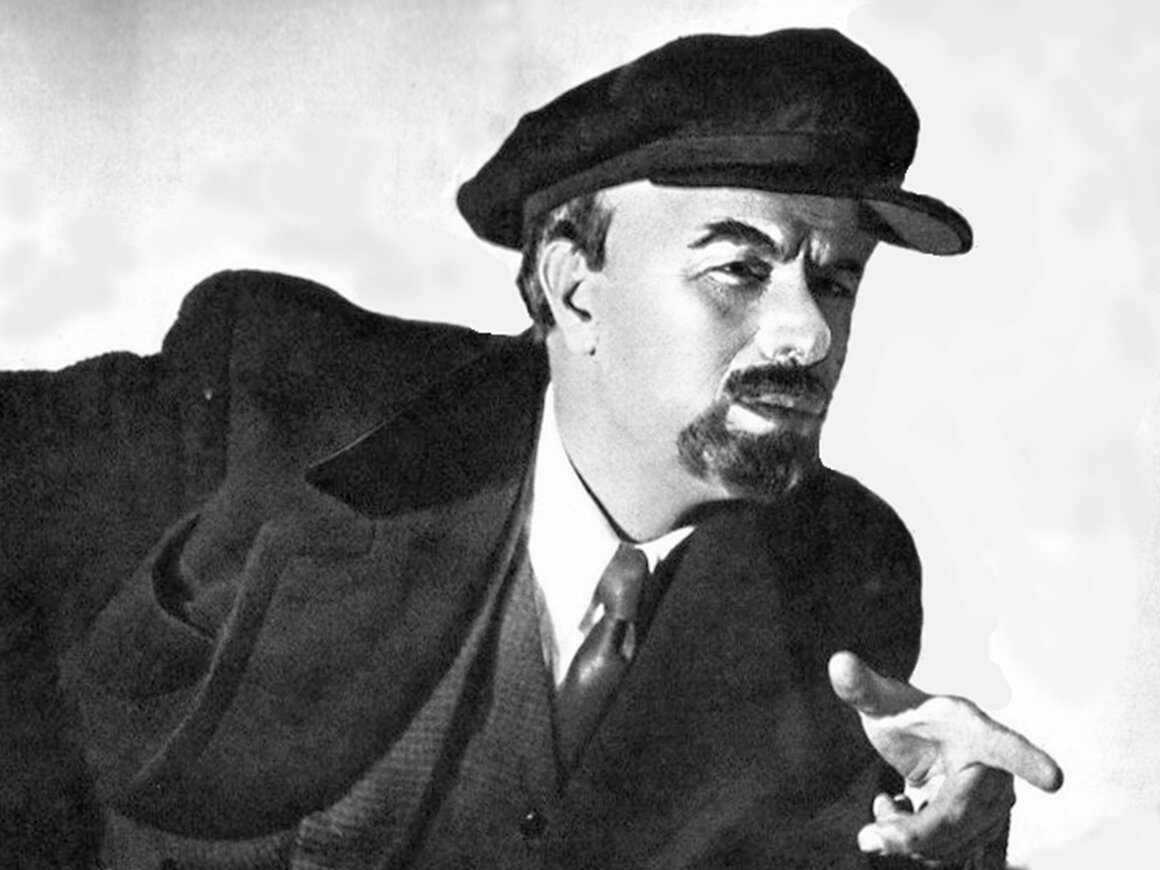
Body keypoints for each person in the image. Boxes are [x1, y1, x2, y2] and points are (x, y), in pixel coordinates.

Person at [0, 27, 1061, 870]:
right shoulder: (283, 398)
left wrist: (935, 848)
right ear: (573, 287)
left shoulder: (841, 573)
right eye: (740, 269)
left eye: (834, 279)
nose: (810, 334)